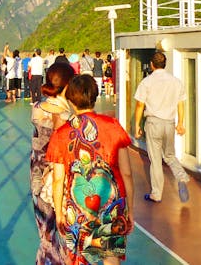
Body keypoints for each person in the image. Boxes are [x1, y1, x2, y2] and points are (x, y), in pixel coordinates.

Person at [48, 74, 134, 264]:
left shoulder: (61, 134)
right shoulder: (113, 126)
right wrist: (130, 210)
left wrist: (60, 214)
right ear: (95, 96)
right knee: (110, 256)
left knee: (78, 256)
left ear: (70, 100)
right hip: (113, 204)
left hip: (77, 206)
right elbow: (126, 172)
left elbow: (57, 179)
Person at [31, 62, 76, 265]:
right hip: (60, 176)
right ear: (67, 85)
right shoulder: (67, 115)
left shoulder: (38, 108)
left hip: (37, 172)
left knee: (45, 231)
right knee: (67, 232)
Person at [134, 51, 190, 203]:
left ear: (151, 65)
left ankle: (156, 194)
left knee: (156, 160)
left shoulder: (147, 82)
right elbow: (180, 103)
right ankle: (182, 177)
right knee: (170, 156)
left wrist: (137, 125)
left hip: (153, 123)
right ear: (165, 64)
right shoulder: (176, 82)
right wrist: (180, 123)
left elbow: (140, 104)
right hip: (169, 123)